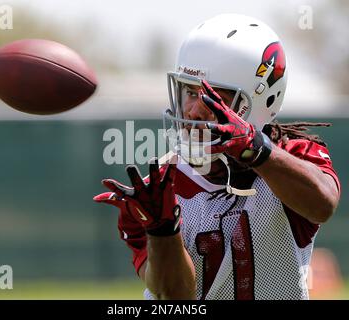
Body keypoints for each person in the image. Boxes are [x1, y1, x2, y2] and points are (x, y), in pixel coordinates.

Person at [94, 14, 341, 300]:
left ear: (259, 102)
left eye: (213, 97)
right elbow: (174, 299)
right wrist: (163, 229)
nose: (193, 110)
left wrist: (255, 150)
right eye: (189, 91)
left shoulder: (291, 157)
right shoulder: (156, 191)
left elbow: (322, 205)